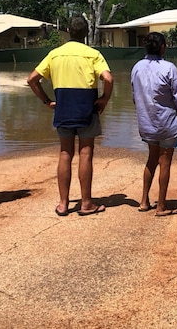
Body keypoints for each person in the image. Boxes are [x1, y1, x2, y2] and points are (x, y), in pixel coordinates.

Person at [27, 16, 113, 217]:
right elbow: (108, 78)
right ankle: (86, 203)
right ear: (86, 33)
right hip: (86, 108)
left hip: (63, 107)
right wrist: (105, 98)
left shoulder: (55, 55)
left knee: (65, 153)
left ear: (67, 31)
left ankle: (63, 203)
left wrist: (47, 101)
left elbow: (32, 79)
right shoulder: (93, 54)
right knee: (86, 153)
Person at [131, 32, 177, 217]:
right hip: (167, 123)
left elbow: (134, 96)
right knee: (165, 162)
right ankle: (161, 206)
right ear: (163, 47)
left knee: (151, 159)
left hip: (146, 123)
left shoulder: (137, 67)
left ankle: (143, 201)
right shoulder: (169, 68)